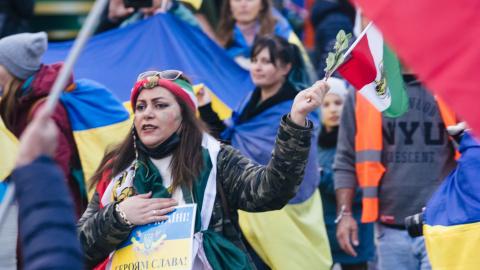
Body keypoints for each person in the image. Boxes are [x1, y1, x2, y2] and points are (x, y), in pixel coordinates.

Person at [77, 69, 329, 269]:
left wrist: (296, 121)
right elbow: (78, 247)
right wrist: (119, 215)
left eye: (160, 105)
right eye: (141, 107)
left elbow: (271, 191)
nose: (147, 114)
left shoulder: (217, 158)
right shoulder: (117, 173)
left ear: (185, 117)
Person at [198, 35, 332, 270]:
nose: (257, 67)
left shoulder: (296, 108)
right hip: (250, 202)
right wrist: (205, 107)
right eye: (254, 59)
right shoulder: (250, 98)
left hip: (284, 207)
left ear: (285, 68)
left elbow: (295, 162)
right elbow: (229, 140)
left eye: (266, 61)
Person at [334, 74, 457, 270]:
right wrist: (345, 214)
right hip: (389, 230)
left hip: (443, 227)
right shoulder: (363, 91)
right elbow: (345, 159)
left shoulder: (452, 86)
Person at [0, 32, 87, 217]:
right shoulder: (23, 101)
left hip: (53, 212)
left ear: (14, 69)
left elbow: (55, 170)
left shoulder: (46, 110)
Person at [11, 107, 83, 270]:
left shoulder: (47, 110)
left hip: (51, 222)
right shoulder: (23, 104)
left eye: (156, 105)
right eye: (141, 106)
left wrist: (37, 169)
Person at [317, 77, 374, 270]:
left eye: (338, 103)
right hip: (324, 232)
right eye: (326, 104)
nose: (333, 109)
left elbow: (362, 186)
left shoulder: (358, 139)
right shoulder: (314, 143)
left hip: (355, 232)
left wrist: (322, 177)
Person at [216, 0, 315, 85]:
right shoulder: (219, 39)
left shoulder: (283, 33)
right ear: (229, 5)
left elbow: (303, 75)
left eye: (249, 0)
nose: (243, 4)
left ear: (262, 4)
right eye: (237, 0)